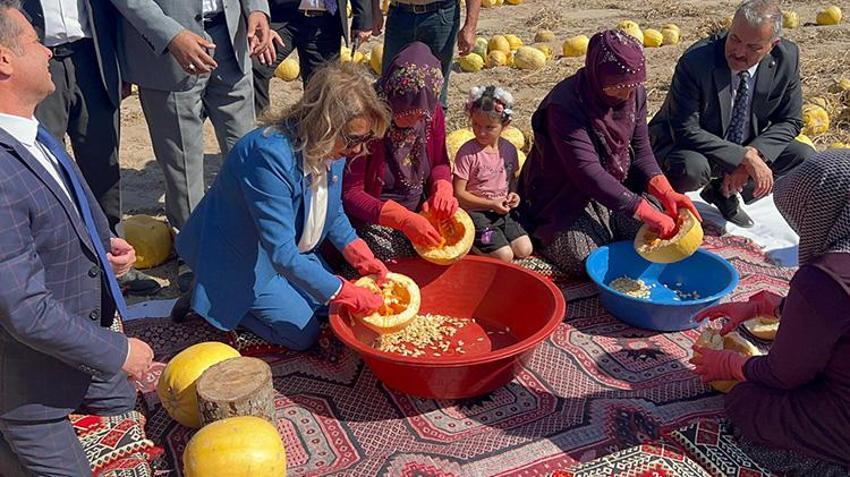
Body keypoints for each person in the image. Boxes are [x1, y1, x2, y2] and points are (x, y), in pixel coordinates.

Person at [0, 3, 154, 474]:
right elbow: (22, 309)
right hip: (21, 379)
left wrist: (104, 245)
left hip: (65, 339)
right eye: (34, 42)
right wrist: (118, 349)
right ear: (3, 60)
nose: (49, 51)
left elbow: (64, 209)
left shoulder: (32, 131)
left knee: (129, 397)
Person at [173, 63, 389, 351]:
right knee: (303, 335)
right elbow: (283, 253)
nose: (359, 150)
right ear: (325, 123)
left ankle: (219, 294)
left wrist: (356, 250)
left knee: (329, 311)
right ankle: (212, 297)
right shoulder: (268, 156)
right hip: (244, 258)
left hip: (285, 249)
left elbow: (332, 210)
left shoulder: (332, 146)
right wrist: (341, 289)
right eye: (355, 140)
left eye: (365, 140)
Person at [691, 150, 850, 476]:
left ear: (820, 215)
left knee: (748, 402)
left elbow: (785, 374)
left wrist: (733, 365)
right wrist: (775, 306)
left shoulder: (825, 277)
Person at [111, 0, 274, 291]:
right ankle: (194, 251)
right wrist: (170, 34)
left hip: (232, 40)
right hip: (168, 53)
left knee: (247, 153)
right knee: (183, 167)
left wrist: (258, 9)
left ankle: (251, 241)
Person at [517, 30, 700, 278]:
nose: (626, 95)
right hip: (564, 195)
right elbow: (587, 172)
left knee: (659, 229)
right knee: (584, 260)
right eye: (617, 87)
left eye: (632, 87)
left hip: (615, 184)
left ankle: (612, 223)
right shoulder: (565, 105)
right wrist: (643, 209)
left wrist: (666, 191)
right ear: (597, 74)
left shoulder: (635, 94)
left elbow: (642, 151)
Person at [22, 0, 161, 295]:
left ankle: (114, 260)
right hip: (35, 58)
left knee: (103, 164)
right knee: (44, 170)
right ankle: (57, 267)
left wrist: (121, 67)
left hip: (92, 57)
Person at [649, 0, 812, 228]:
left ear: (772, 45)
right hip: (689, 145)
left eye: (753, 47)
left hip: (743, 142)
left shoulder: (787, 58)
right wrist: (744, 158)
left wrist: (753, 155)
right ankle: (660, 201)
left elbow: (791, 120)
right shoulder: (697, 62)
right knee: (692, 169)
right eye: (734, 38)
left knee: (803, 156)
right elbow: (685, 129)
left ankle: (723, 191)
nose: (738, 51)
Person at [342, 42, 458, 261]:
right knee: (397, 260)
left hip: (420, 213)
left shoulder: (431, 115)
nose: (415, 120)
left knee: (452, 252)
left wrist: (443, 186)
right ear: (390, 95)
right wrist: (401, 219)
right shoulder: (365, 119)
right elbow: (350, 193)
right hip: (373, 220)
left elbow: (441, 162)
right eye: (406, 111)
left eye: (421, 114)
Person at [252, 0, 373, 116]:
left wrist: (363, 19)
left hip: (326, 23)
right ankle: (260, 124)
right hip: (283, 17)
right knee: (257, 66)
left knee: (323, 84)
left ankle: (312, 130)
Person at [453, 85, 532, 263]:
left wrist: (513, 195)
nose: (481, 132)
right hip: (476, 215)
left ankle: (492, 242)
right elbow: (459, 194)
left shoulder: (509, 150)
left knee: (524, 249)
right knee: (505, 256)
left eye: (489, 127)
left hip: (502, 212)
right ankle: (472, 242)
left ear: (505, 125)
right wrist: (490, 203)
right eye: (476, 125)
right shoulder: (467, 153)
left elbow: (511, 180)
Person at [376, 0, 480, 108]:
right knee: (390, 88)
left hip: (440, 15)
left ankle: (434, 123)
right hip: (399, 14)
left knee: (435, 91)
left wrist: (470, 27)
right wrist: (374, 10)